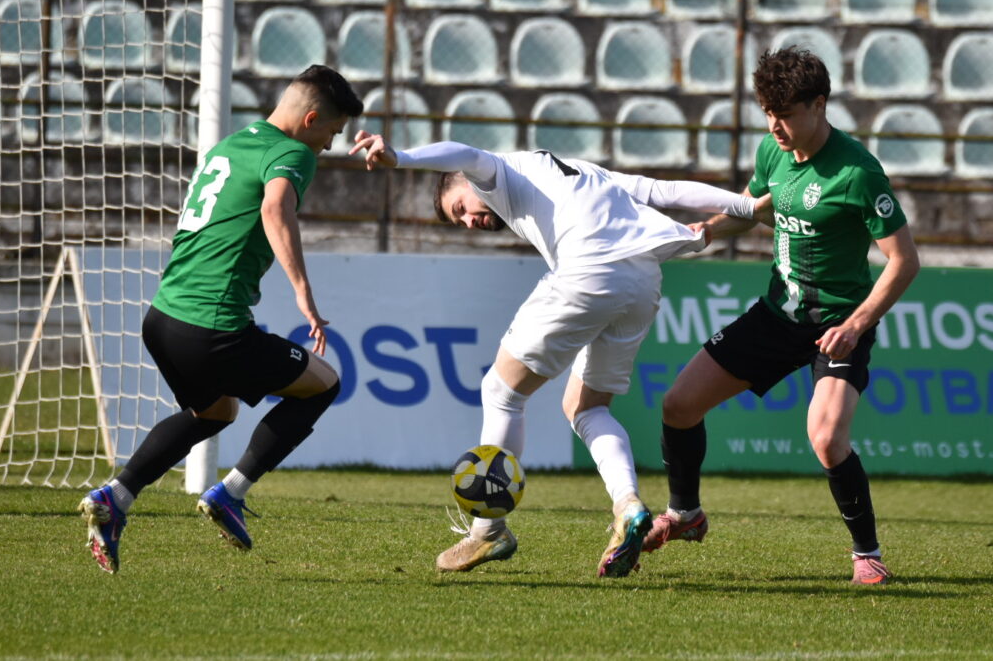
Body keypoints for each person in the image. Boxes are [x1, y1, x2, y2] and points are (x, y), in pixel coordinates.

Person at [349, 133, 771, 577]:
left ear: (467, 183)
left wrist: (401, 157)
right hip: (643, 279)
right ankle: (628, 506)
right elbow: (661, 189)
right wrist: (745, 206)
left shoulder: (496, 171)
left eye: (459, 209)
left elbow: (466, 153)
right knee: (586, 407)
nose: (468, 222)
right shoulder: (584, 171)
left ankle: (488, 529)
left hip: (589, 271)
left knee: (501, 392)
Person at [641, 46, 920, 586]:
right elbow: (754, 211)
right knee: (678, 405)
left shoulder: (858, 172)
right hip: (776, 316)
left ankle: (867, 553)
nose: (775, 126)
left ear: (820, 104)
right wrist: (699, 232)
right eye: (768, 113)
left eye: (786, 113)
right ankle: (685, 515)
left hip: (837, 325)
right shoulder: (773, 152)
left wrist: (857, 325)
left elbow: (904, 262)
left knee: (826, 439)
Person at [78, 65, 364, 574]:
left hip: (163, 318)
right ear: (312, 118)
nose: (326, 146)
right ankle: (230, 494)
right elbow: (276, 208)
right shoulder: (292, 151)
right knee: (324, 384)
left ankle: (115, 497)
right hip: (213, 326)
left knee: (215, 412)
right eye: (331, 134)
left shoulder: (230, 146)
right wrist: (304, 293)